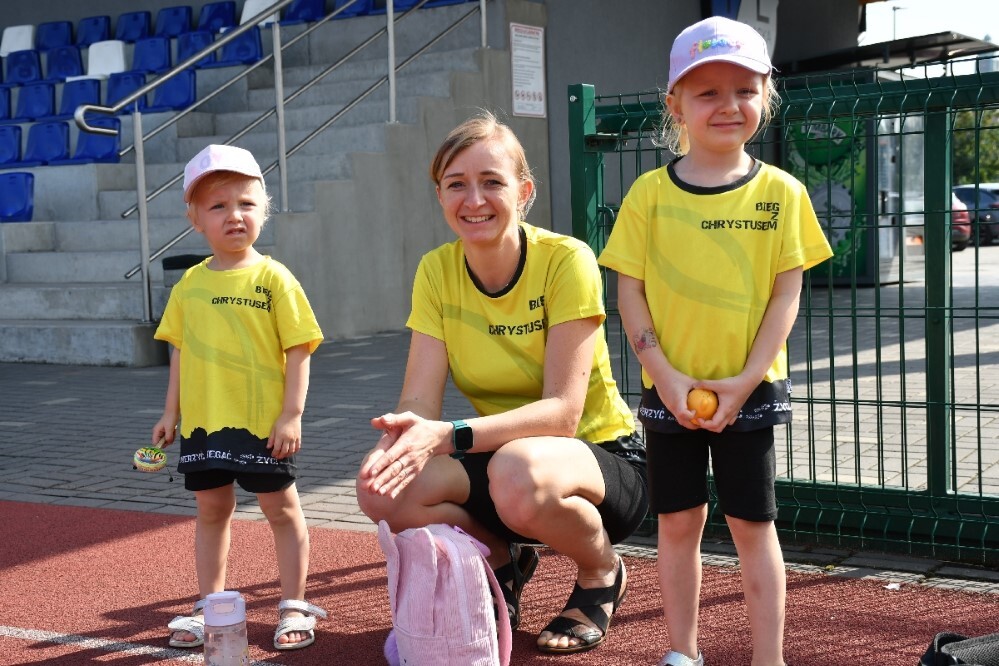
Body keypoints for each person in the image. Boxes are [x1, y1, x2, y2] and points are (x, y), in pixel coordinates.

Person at [356, 112, 649, 655]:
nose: (474, 200)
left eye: (492, 181)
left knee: (516, 470)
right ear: (439, 196)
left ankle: (601, 570)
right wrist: (401, 438)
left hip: (597, 461)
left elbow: (562, 413)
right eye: (456, 184)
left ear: (524, 191)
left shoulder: (566, 260)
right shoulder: (435, 271)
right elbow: (419, 398)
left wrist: (447, 436)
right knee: (381, 488)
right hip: (502, 462)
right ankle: (501, 561)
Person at [598, 17, 834, 666]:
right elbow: (629, 293)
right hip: (668, 393)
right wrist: (665, 376)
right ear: (674, 104)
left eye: (744, 90)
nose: (728, 105)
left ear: (765, 98)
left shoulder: (783, 193)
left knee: (753, 528)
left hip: (750, 394)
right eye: (707, 92)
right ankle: (683, 653)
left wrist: (746, 381)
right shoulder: (647, 195)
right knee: (678, 525)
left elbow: (786, 298)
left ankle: (768, 659)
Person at [152, 144, 327, 652]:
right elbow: (180, 352)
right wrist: (170, 413)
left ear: (264, 211)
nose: (234, 215)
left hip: (263, 426)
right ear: (195, 219)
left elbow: (300, 349)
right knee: (211, 509)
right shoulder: (189, 285)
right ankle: (211, 605)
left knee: (282, 510)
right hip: (205, 424)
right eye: (218, 206)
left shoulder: (275, 278)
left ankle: (294, 603)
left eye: (247, 203)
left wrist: (291, 415)